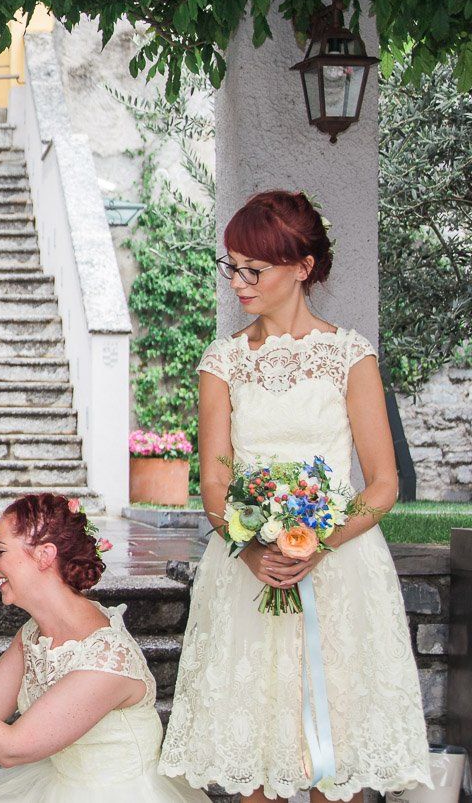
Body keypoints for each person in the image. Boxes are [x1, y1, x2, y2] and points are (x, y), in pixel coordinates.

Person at [159, 190, 430, 801]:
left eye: (253, 270)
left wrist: (317, 543)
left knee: (336, 763)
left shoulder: (349, 356)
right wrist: (252, 550)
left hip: (340, 574)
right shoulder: (222, 362)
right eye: (232, 267)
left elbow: (383, 484)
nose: (238, 283)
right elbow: (215, 482)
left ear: (303, 267)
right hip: (247, 576)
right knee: (258, 765)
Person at [0, 493, 208, 803]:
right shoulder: (34, 633)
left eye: (1, 551)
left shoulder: (107, 658)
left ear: (44, 555)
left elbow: (12, 749)